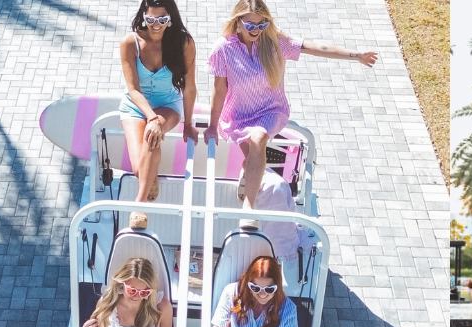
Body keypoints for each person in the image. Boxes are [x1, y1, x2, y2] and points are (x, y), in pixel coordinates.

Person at [205, 0, 378, 213]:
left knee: (258, 140)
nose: (257, 31)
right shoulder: (223, 48)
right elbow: (219, 90)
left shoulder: (276, 42)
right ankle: (248, 175)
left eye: (262, 25)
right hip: (239, 115)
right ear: (238, 22)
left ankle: (249, 209)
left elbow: (317, 48)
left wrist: (356, 55)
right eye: (251, 25)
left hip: (270, 110)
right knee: (252, 159)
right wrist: (212, 126)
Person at [119, 0, 197, 204]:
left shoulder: (184, 43)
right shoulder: (130, 43)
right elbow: (133, 89)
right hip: (136, 106)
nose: (156, 25)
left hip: (168, 104)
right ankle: (148, 178)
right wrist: (151, 116)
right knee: (139, 169)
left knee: (153, 134)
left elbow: (189, 87)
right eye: (151, 19)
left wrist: (188, 125)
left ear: (170, 19)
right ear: (143, 16)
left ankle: (140, 202)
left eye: (162, 19)